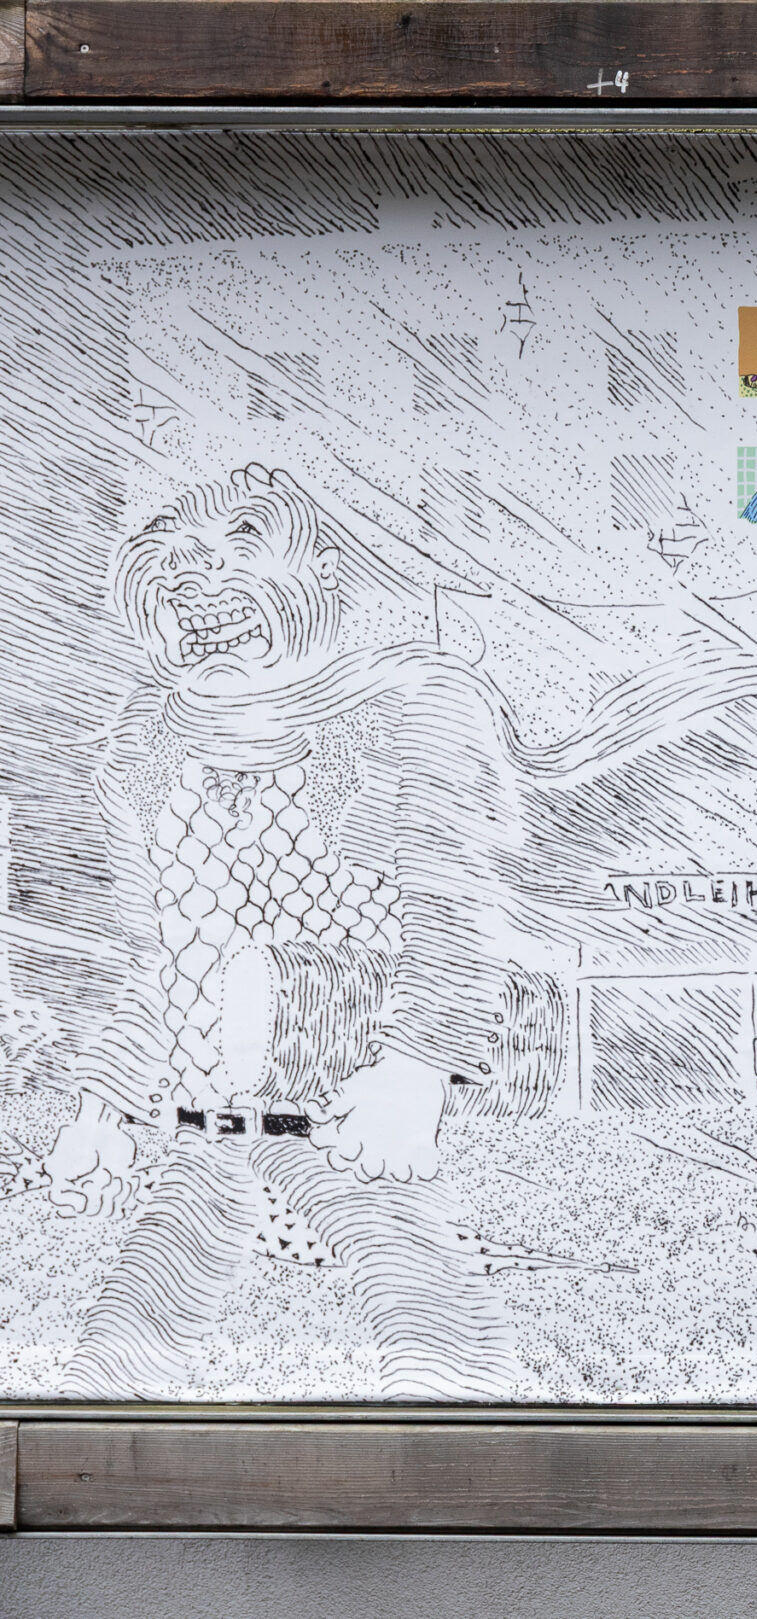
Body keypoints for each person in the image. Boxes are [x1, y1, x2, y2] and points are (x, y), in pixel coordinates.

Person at [43, 464, 524, 1398]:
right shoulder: (142, 745)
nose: (200, 580)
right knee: (115, 1367)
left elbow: (454, 911)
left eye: (239, 550)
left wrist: (417, 1070)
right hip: (204, 1132)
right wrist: (101, 1110)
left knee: (443, 1356)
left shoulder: (407, 706)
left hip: (351, 1116)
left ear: (319, 577)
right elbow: (156, 958)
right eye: (178, 567)